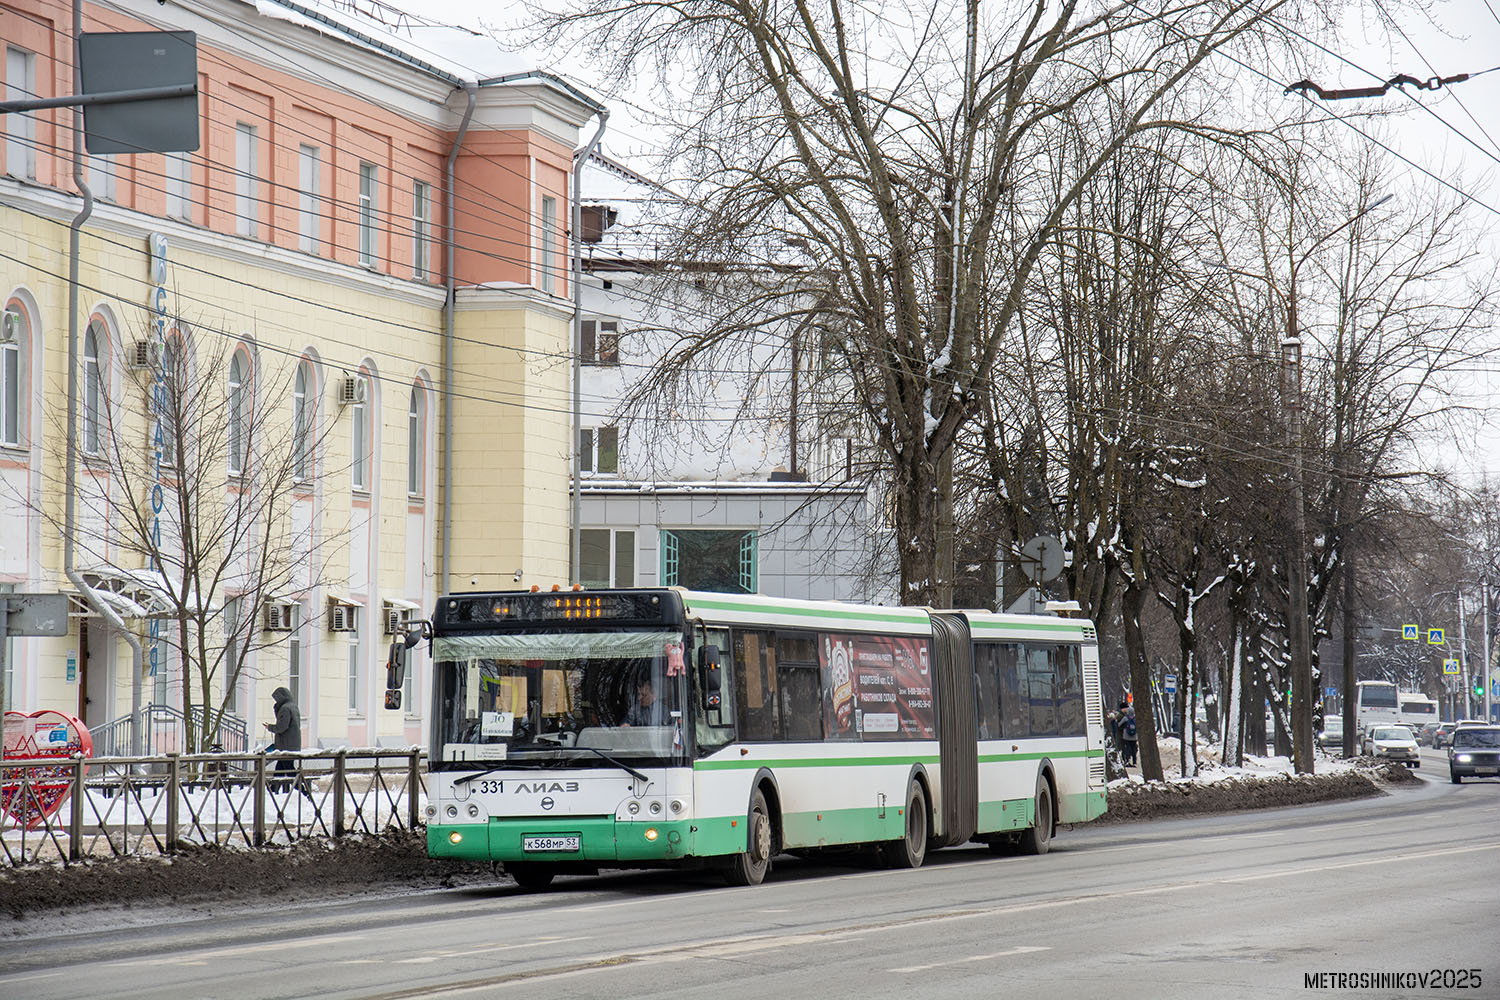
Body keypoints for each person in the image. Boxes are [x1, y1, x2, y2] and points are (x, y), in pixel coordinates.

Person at [264, 686, 302, 791]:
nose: (276, 701)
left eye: (276, 699)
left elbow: (281, 727)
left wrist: (270, 727)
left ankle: (303, 790)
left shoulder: (285, 709)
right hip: (292, 744)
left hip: (286, 745)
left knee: (289, 770)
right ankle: (273, 790)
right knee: (280, 769)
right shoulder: (293, 706)